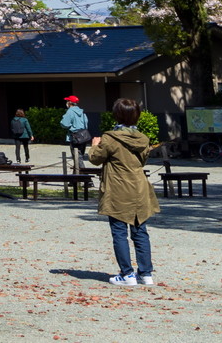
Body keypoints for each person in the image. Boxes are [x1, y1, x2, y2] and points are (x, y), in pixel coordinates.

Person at [86, 97, 159, 286]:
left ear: (116, 115)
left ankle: (127, 274)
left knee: (119, 232)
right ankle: (146, 273)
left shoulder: (110, 138)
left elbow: (95, 159)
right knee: (140, 231)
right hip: (139, 187)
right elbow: (142, 161)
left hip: (118, 188)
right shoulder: (143, 138)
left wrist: (94, 145)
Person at [60, 96, 91, 170]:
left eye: (67, 101)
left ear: (70, 103)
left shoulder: (70, 111)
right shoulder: (81, 111)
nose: (66, 103)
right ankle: (75, 176)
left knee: (77, 158)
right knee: (80, 157)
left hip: (75, 136)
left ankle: (85, 176)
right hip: (84, 136)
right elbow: (86, 122)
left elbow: (64, 124)